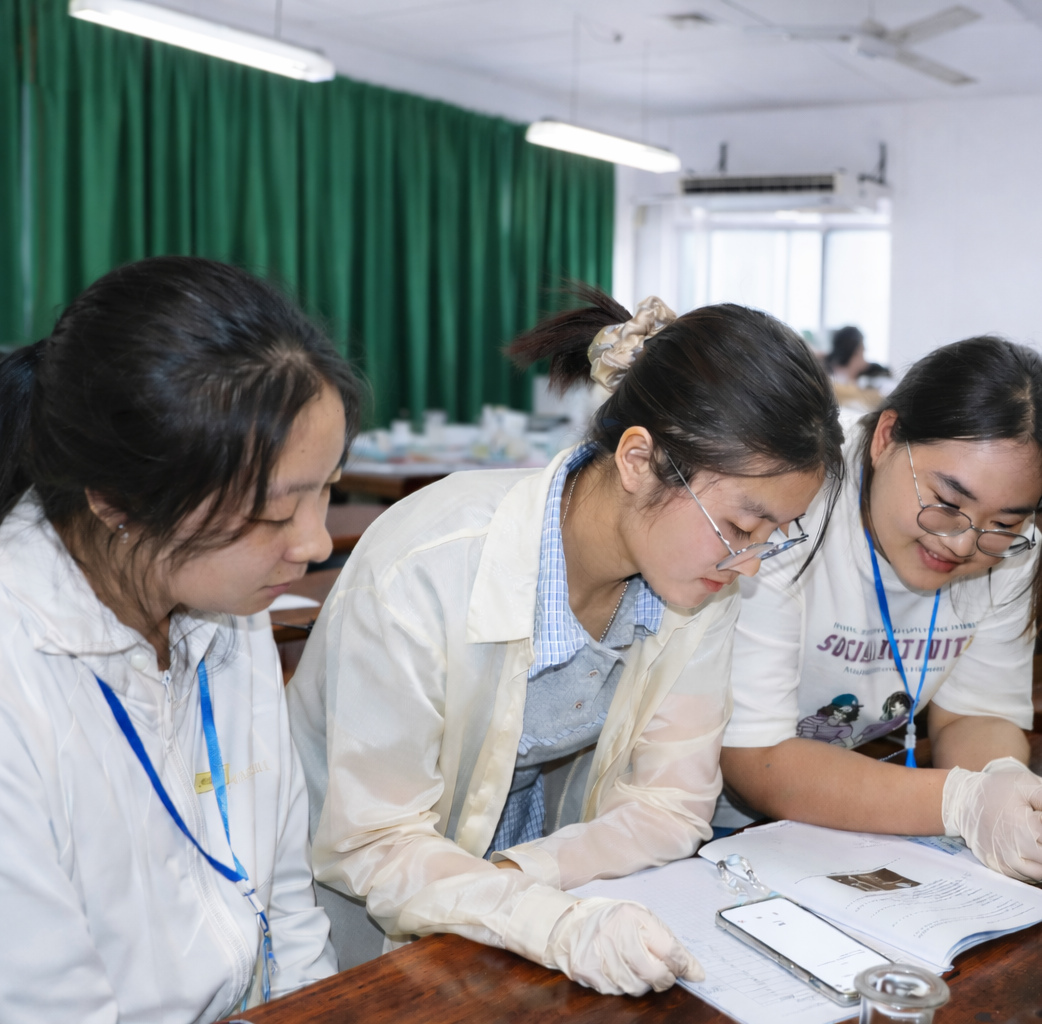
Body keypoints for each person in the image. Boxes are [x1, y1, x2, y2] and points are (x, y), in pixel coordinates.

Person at [288, 291, 843, 994]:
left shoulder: (697, 582)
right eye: (739, 526)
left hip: (523, 918)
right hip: (355, 933)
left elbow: (671, 806)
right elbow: (374, 840)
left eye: (773, 536)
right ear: (638, 459)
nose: (750, 563)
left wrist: (523, 887)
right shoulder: (428, 566)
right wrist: (541, 918)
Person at [0, 257, 354, 1021]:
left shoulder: (230, 600)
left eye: (328, 487)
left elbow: (286, 900)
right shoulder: (14, 670)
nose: (317, 542)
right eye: (273, 511)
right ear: (119, 502)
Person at [717, 336, 1042, 883]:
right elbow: (759, 759)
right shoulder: (794, 506)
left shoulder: (1009, 553)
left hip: (844, 821)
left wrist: (1006, 788)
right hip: (707, 822)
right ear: (887, 437)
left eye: (1006, 522)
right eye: (946, 503)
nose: (964, 545)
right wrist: (961, 801)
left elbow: (975, 713)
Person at [825, 325, 891, 412]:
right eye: (863, 348)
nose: (865, 350)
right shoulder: (832, 385)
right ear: (857, 351)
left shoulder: (867, 379)